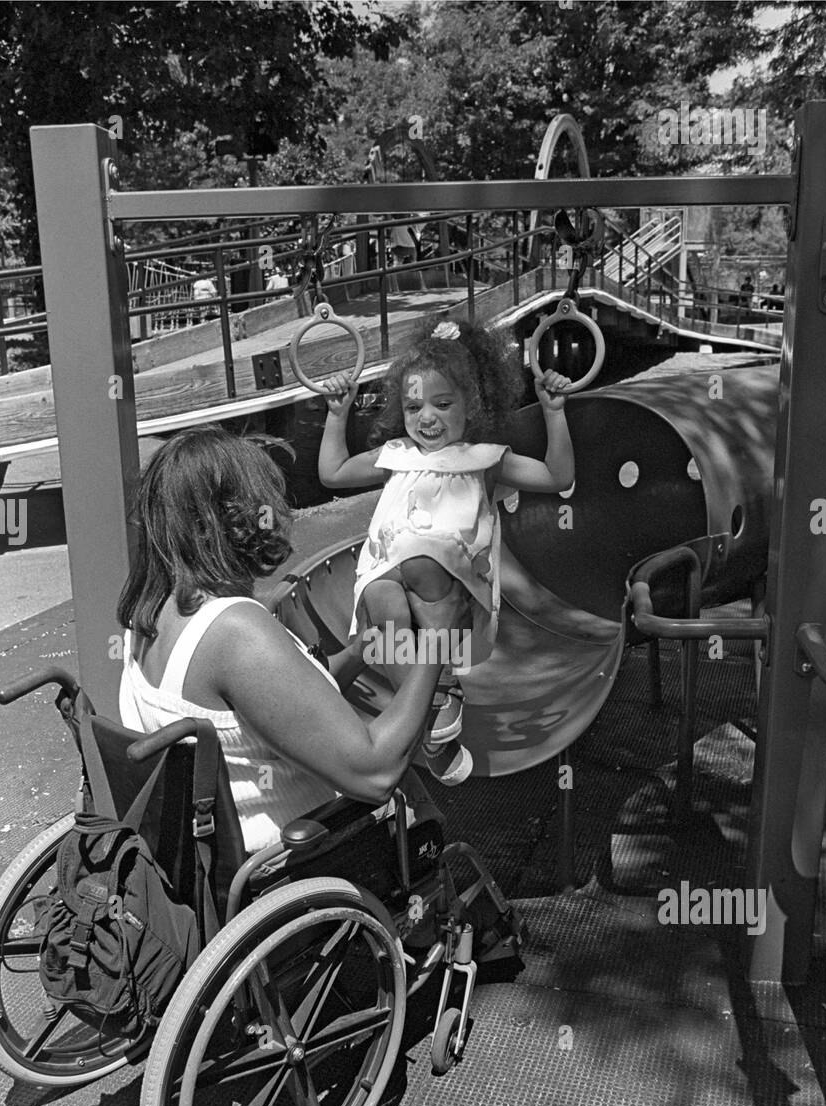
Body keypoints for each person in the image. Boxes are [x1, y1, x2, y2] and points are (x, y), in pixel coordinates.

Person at [117, 425, 467, 854]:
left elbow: (272, 705)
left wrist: (360, 650)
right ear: (229, 520)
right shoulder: (235, 631)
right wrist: (436, 641)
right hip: (300, 855)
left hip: (207, 850)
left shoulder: (151, 612)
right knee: (416, 801)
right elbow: (375, 773)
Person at [317, 319, 575, 785]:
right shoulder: (395, 454)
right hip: (394, 592)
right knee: (380, 596)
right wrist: (338, 415)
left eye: (442, 403)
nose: (426, 418)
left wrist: (553, 412)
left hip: (452, 594)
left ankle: (433, 701)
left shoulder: (485, 459)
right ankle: (432, 714)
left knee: (416, 560)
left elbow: (557, 478)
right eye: (414, 406)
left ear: (471, 403)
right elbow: (333, 473)